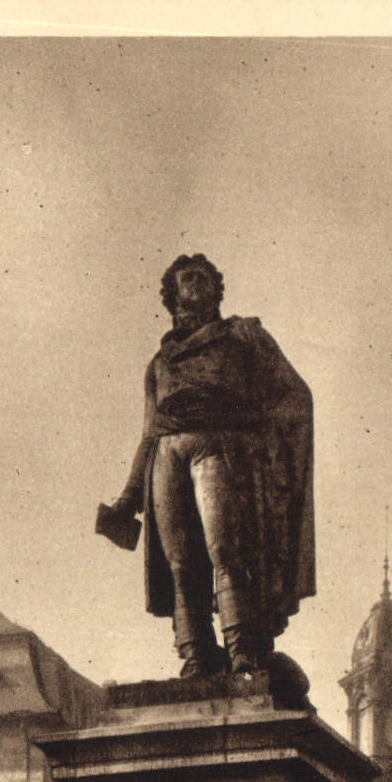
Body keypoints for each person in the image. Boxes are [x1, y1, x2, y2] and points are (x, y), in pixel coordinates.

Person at [96, 254, 315, 678]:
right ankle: (195, 653)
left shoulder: (243, 339)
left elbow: (294, 395)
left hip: (221, 447)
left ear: (216, 289)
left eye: (203, 277)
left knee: (225, 551)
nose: (194, 284)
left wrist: (258, 434)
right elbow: (149, 433)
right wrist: (126, 498)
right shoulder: (160, 363)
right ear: (172, 294)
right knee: (180, 561)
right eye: (185, 279)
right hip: (167, 456)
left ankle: (243, 650)